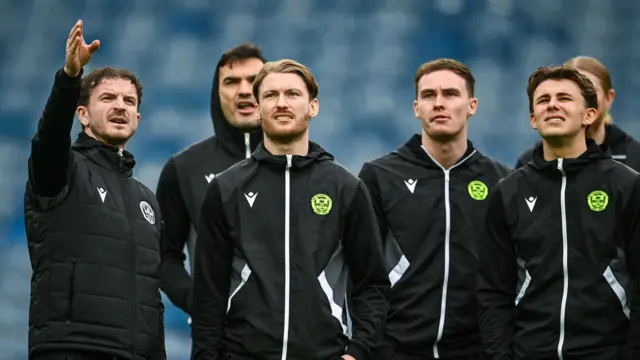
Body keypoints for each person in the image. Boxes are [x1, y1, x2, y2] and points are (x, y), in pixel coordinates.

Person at [191, 59, 390, 360]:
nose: (281, 103)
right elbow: (208, 293)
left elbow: (372, 285)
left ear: (313, 107)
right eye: (271, 95)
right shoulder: (226, 188)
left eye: (292, 94)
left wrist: (358, 352)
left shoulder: (346, 188)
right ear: (257, 109)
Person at [24, 20, 165, 359]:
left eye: (129, 101)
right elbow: (50, 136)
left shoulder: (147, 200)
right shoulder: (61, 169)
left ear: (138, 118)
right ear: (83, 115)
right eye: (108, 98)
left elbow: (150, 292)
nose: (121, 106)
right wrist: (70, 78)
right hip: (72, 348)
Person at [477, 65, 640, 359]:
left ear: (589, 115)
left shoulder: (626, 185)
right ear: (532, 119)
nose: (552, 104)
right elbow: (493, 291)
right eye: (543, 100)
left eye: (564, 98)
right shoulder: (508, 192)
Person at [359, 59, 511, 360]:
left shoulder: (502, 181)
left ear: (472, 105)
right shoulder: (379, 176)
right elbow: (362, 275)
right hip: (396, 349)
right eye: (429, 95)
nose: (439, 103)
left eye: (451, 94)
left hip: (476, 350)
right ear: (417, 107)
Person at [156, 44, 266, 318]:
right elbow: (163, 256)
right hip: (219, 341)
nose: (243, 90)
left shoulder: (307, 165)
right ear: (217, 94)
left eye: (253, 81)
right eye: (231, 81)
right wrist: (200, 303)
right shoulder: (184, 169)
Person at [514, 56, 640, 171]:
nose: (584, 100)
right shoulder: (528, 162)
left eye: (590, 91)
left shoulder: (634, 159)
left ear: (609, 98)